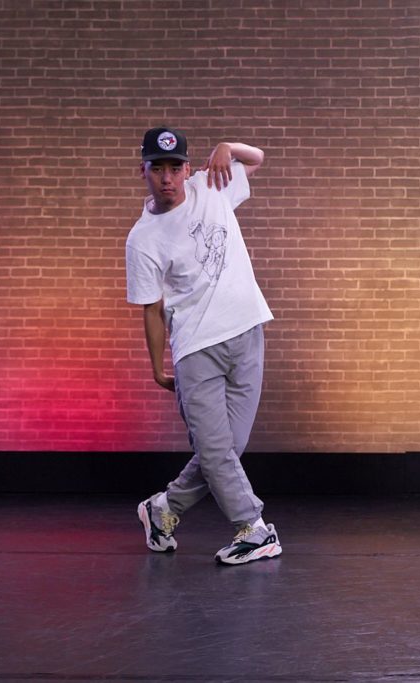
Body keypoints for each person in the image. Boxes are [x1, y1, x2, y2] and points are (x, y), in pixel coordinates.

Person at [126, 126, 281, 566]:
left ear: (187, 169)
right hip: (196, 349)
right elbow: (152, 309)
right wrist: (158, 366)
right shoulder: (143, 239)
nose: (168, 178)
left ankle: (164, 508)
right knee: (215, 451)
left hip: (248, 330)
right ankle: (253, 529)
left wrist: (228, 146)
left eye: (175, 167)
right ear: (144, 172)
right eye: (158, 168)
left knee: (227, 448)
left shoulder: (210, 185)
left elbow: (257, 158)